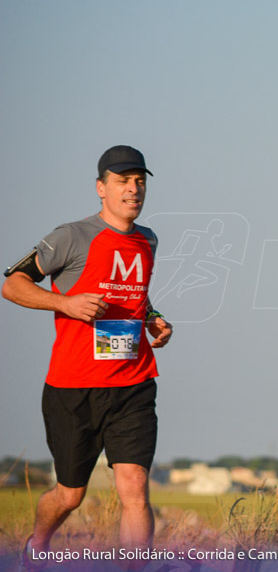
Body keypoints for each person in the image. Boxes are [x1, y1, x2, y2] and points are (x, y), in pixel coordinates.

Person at [2, 145, 173, 566]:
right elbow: (12, 285)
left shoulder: (147, 239)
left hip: (133, 383)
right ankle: (36, 545)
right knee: (70, 495)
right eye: (122, 182)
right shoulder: (71, 236)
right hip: (72, 387)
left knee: (134, 487)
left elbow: (132, 294)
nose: (133, 190)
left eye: (139, 182)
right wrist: (66, 303)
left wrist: (153, 318)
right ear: (101, 188)